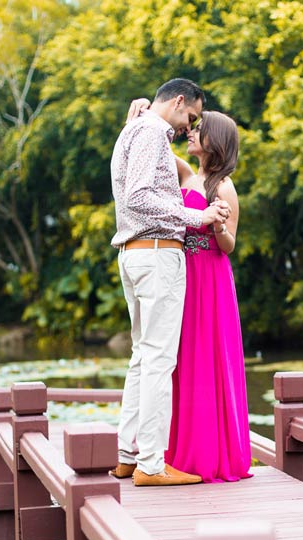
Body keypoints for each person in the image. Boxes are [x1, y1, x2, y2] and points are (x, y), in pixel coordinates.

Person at [110, 78, 230, 487]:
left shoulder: (134, 130)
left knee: (143, 358)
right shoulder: (152, 133)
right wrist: (197, 218)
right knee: (159, 360)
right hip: (156, 253)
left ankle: (129, 455)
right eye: (191, 116)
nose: (188, 126)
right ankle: (151, 464)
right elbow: (139, 196)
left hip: (134, 253)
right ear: (179, 102)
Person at [126, 100, 253, 483]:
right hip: (180, 273)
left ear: (216, 141)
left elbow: (230, 245)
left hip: (211, 278)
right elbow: (153, 143)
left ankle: (209, 455)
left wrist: (216, 225)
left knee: (207, 360)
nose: (190, 132)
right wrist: (138, 118)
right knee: (179, 360)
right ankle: (175, 451)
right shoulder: (184, 175)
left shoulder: (224, 187)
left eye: (199, 129)